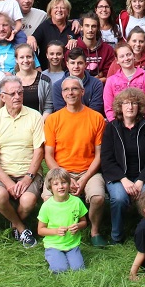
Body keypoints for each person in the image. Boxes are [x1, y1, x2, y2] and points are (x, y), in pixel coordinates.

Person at [45, 77, 108, 247]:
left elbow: (99, 154)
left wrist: (85, 178)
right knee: (47, 197)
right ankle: (59, 230)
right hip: (60, 171)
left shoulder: (96, 118)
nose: (70, 93)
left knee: (98, 197)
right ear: (62, 93)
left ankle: (94, 231)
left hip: (88, 171)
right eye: (66, 90)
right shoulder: (53, 119)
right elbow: (48, 155)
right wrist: (65, 177)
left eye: (74, 89)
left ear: (82, 92)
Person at [0, 76, 45, 248]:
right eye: (12, 94)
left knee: (27, 201)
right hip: (4, 172)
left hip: (29, 172)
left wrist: (28, 178)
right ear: (2, 97)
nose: (17, 97)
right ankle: (21, 227)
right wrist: (8, 183)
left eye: (20, 92)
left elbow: (38, 151)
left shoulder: (35, 116)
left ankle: (13, 225)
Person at [101, 88, 145, 244]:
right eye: (126, 103)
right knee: (119, 198)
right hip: (120, 177)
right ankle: (117, 236)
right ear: (119, 107)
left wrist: (140, 181)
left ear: (140, 106)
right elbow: (107, 159)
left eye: (134, 103)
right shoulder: (111, 128)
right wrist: (124, 180)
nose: (130, 107)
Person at [37, 168, 89, 272]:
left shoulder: (76, 201)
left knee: (78, 269)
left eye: (64, 182)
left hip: (72, 244)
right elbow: (40, 230)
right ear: (50, 187)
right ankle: (51, 255)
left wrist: (78, 226)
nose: (60, 186)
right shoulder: (47, 206)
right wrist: (56, 231)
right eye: (56, 184)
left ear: (69, 184)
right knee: (60, 269)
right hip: (54, 244)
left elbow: (84, 222)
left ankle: (69, 256)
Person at [104, 42, 145, 121]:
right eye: (122, 56)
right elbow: (108, 107)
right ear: (117, 60)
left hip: (142, 122)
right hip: (119, 124)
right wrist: (115, 125)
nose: (126, 58)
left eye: (128, 54)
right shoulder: (111, 81)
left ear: (133, 55)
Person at [54, 47, 106, 116]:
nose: (76, 66)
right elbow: (59, 110)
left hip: (89, 122)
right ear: (67, 64)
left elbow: (96, 109)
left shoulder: (96, 84)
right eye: (72, 63)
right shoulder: (57, 86)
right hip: (66, 122)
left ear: (85, 64)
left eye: (80, 63)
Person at [13, 42, 53, 117]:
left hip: (40, 124)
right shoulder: (10, 81)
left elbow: (48, 107)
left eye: (28, 57)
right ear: (16, 59)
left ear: (33, 58)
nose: (25, 60)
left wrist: (39, 124)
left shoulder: (45, 80)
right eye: (22, 57)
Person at [75, 13, 115, 81]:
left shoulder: (108, 50)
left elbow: (110, 76)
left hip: (101, 89)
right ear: (81, 27)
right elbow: (70, 74)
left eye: (93, 26)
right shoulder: (73, 48)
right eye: (87, 26)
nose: (90, 30)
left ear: (98, 28)